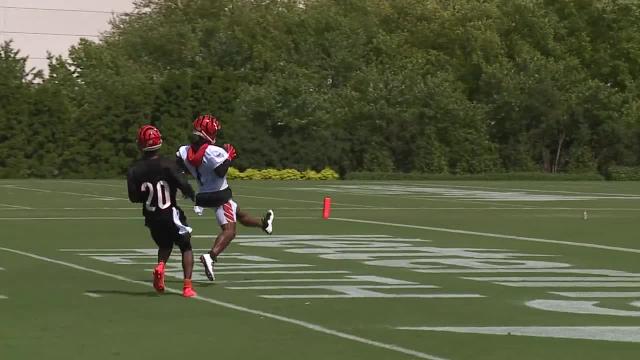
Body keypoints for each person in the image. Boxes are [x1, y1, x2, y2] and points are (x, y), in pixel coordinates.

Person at [176, 114, 274, 281]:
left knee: (238, 213)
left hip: (202, 195)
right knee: (230, 231)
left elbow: (179, 168)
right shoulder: (215, 151)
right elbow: (220, 171)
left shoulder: (184, 151)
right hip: (219, 194)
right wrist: (229, 157)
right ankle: (211, 256)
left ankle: (263, 223)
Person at [127, 124, 198, 298]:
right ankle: (187, 287)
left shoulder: (134, 170)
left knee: (165, 245)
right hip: (170, 212)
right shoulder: (168, 164)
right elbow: (183, 184)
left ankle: (161, 266)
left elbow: (134, 197)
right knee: (186, 246)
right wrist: (192, 196)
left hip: (152, 217)